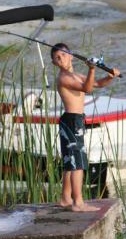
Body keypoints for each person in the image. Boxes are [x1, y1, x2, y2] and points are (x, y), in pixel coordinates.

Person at [51, 43, 120, 212]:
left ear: (71, 55)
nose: (61, 59)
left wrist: (110, 76)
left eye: (63, 55)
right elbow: (87, 88)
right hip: (72, 121)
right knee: (78, 164)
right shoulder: (64, 78)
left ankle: (66, 199)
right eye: (57, 58)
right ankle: (78, 203)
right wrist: (92, 69)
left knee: (70, 162)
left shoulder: (75, 75)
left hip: (73, 121)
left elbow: (96, 84)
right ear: (54, 63)